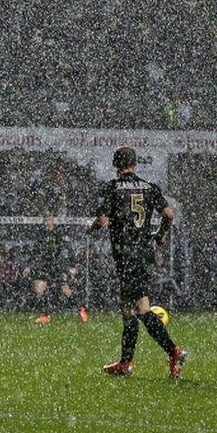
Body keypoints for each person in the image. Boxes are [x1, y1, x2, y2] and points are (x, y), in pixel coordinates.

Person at [90, 146, 186, 378]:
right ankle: (126, 362)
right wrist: (161, 235)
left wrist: (91, 227)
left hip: (126, 255)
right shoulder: (150, 188)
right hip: (143, 255)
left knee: (139, 310)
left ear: (116, 165)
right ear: (135, 164)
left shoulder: (112, 188)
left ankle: (173, 351)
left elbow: (102, 221)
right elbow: (169, 215)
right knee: (129, 308)